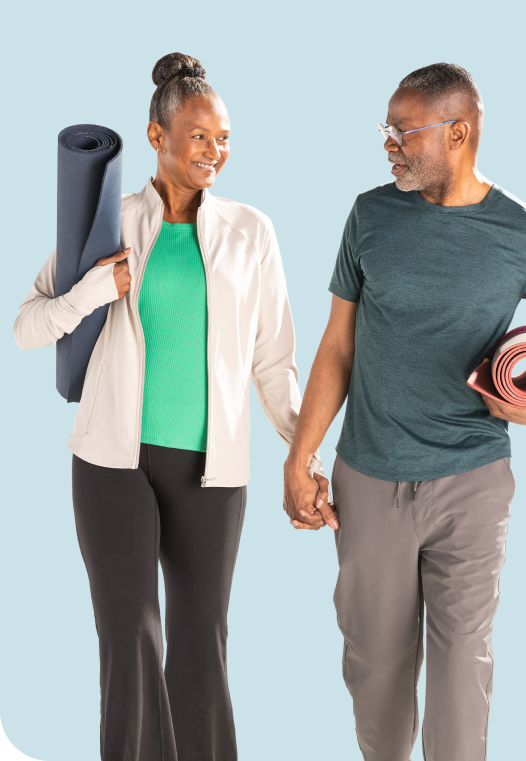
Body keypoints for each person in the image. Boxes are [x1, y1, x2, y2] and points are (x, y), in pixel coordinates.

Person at [14, 52, 325, 761]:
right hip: (112, 463)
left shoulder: (252, 232)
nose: (214, 152)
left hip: (211, 473)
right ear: (155, 135)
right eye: (198, 135)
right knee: (130, 637)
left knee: (200, 644)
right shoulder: (107, 221)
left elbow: (274, 362)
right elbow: (28, 326)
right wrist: (94, 288)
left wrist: (303, 454)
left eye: (223, 139)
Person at [283, 63, 526, 761]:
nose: (389, 144)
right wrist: (299, 457)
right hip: (369, 477)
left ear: (458, 132)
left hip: (473, 483)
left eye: (403, 131)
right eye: (386, 131)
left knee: (461, 672)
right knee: (377, 674)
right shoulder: (369, 215)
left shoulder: (525, 234)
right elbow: (337, 347)